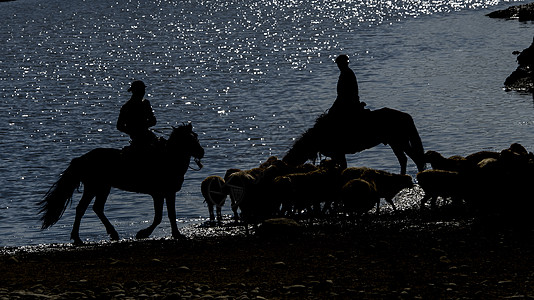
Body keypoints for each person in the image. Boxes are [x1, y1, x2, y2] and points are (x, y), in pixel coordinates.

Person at [117, 80, 158, 150]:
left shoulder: (145, 103)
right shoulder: (127, 107)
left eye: (143, 90)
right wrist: (133, 131)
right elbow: (119, 126)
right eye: (141, 90)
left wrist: (144, 126)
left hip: (146, 135)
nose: (143, 92)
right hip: (137, 138)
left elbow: (153, 120)